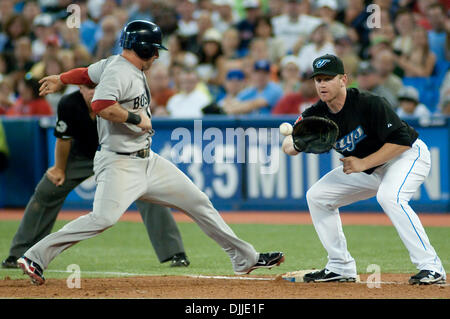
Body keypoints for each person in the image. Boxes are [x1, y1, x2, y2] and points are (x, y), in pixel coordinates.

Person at [18, 20, 284, 285]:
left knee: (198, 201)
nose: (157, 55)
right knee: (102, 219)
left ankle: (244, 258)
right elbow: (100, 104)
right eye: (155, 49)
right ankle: (36, 256)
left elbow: (87, 75)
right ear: (143, 47)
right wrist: (135, 119)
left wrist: (61, 78)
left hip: (148, 161)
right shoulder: (118, 72)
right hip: (119, 163)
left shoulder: (114, 64)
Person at [281, 54, 446, 285]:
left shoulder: (369, 103)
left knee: (390, 197)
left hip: (406, 156)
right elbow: (287, 145)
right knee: (317, 197)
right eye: (318, 79)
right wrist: (297, 143)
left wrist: (363, 163)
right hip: (370, 169)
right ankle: (340, 266)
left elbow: (401, 141)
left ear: (343, 80)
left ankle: (432, 267)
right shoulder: (316, 113)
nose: (322, 84)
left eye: (328, 78)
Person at [1, 84, 190, 269]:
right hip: (81, 156)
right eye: (88, 87)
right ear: (80, 89)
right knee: (47, 190)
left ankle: (175, 252)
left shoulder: (118, 101)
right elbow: (63, 139)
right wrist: (59, 168)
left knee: (148, 192)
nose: (93, 91)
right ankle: (19, 254)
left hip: (119, 156)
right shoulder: (69, 103)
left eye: (96, 87)